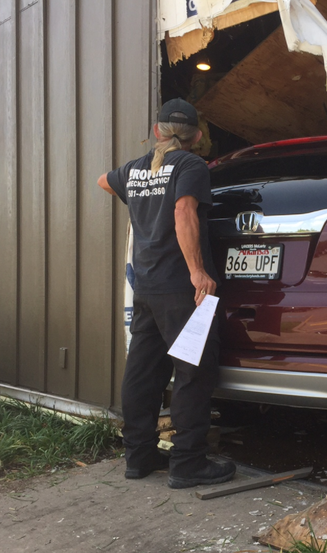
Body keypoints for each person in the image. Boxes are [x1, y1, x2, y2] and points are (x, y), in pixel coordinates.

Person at [97, 98, 235, 488]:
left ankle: (139, 457)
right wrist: (197, 273)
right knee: (193, 372)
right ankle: (188, 463)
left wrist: (140, 199)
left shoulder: (136, 169)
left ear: (157, 132)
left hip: (146, 287)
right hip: (179, 291)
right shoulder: (191, 165)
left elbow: (103, 181)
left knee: (143, 371)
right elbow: (183, 213)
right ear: (198, 136)